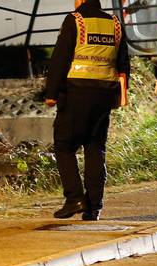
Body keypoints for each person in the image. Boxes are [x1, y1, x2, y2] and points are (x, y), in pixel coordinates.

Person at [45, 0, 130, 221]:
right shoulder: (115, 23)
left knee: (64, 145)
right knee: (95, 148)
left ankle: (74, 198)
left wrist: (51, 93)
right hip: (105, 96)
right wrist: (121, 96)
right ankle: (94, 207)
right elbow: (124, 64)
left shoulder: (75, 20)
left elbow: (60, 58)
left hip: (77, 92)